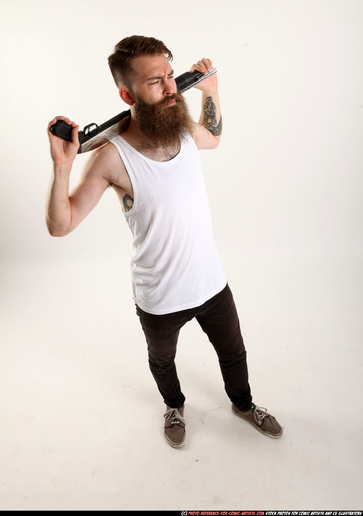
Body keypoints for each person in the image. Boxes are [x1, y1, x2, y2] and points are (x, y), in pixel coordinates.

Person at [46, 35, 283, 448]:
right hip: (159, 295)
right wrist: (62, 167)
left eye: (171, 76)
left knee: (235, 354)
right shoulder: (111, 158)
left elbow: (213, 136)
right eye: (156, 82)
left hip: (210, 282)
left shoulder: (183, 128)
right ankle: (174, 405)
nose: (171, 87)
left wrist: (212, 90)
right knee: (163, 360)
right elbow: (60, 225)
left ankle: (243, 404)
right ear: (126, 93)